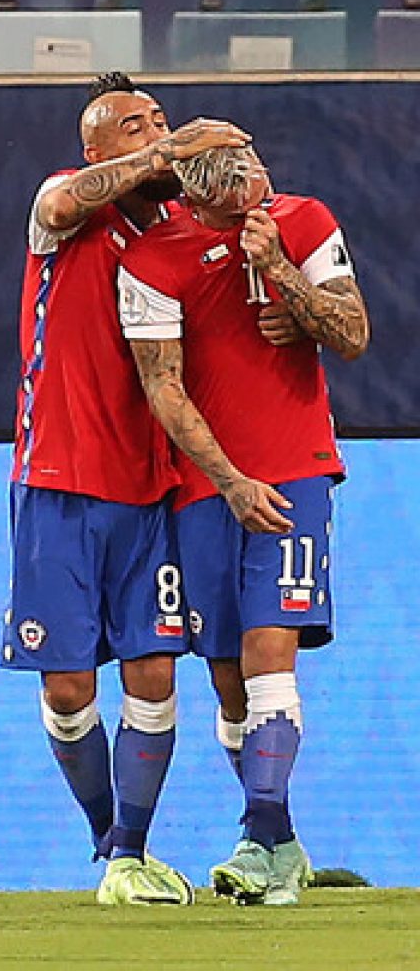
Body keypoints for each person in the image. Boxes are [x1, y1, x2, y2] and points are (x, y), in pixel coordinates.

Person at [0, 72, 250, 905]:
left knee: (154, 676)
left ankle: (128, 857)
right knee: (69, 688)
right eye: (136, 126)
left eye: (162, 120)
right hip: (58, 484)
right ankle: (109, 838)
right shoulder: (61, 210)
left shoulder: (179, 236)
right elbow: (66, 201)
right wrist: (168, 150)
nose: (157, 133)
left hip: (151, 492)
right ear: (96, 149)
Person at [117, 144, 369, 905]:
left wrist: (283, 273)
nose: (256, 194)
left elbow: (353, 334)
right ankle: (281, 841)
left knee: (269, 655)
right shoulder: (153, 260)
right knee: (228, 680)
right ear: (197, 200)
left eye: (256, 175)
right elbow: (162, 386)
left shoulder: (304, 219)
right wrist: (229, 480)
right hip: (207, 486)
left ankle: (258, 842)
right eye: (236, 191)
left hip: (294, 470)